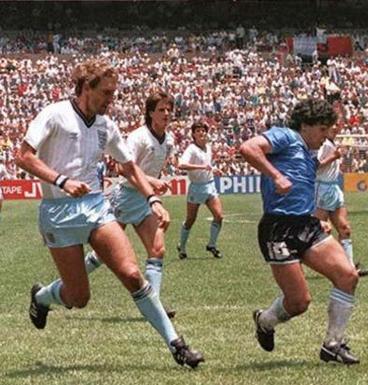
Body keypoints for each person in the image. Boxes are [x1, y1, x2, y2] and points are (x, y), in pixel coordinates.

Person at [16, 59, 203, 368]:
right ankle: (42, 298)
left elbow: (129, 166)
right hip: (58, 213)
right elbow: (23, 156)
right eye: (106, 93)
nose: (111, 100)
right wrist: (60, 180)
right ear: (86, 88)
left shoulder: (106, 125)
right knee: (79, 297)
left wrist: (153, 198)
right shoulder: (54, 115)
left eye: (114, 93)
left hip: (95, 206)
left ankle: (177, 345)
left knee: (132, 274)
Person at [239, 98, 360, 365]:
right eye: (322, 129)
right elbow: (248, 148)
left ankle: (333, 344)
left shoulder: (308, 150)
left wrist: (318, 216)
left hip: (306, 224)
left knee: (348, 276)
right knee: (299, 302)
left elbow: (304, 177)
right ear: (305, 125)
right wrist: (275, 176)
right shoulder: (286, 136)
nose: (326, 135)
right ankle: (265, 321)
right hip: (278, 229)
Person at [81, 90, 178, 318]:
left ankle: (153, 304)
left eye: (169, 109)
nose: (166, 113)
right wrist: (152, 182)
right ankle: (66, 282)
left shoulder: (169, 139)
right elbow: (123, 168)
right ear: (150, 113)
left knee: (157, 249)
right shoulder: (138, 137)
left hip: (145, 200)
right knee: (103, 255)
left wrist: (152, 187)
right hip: (125, 197)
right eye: (161, 109)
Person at [314, 104, 368, 277]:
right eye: (334, 124)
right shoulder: (322, 144)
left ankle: (349, 268)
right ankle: (295, 264)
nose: (337, 127)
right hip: (322, 188)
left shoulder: (331, 143)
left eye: (339, 124)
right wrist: (334, 157)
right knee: (316, 232)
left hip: (333, 187)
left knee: (344, 228)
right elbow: (313, 165)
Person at [176, 121, 224, 259]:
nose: (201, 133)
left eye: (203, 131)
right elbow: (181, 165)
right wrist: (202, 167)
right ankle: (182, 247)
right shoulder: (191, 149)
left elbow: (208, 165)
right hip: (196, 187)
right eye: (198, 131)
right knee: (190, 220)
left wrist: (214, 169)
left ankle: (212, 245)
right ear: (193, 135)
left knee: (219, 216)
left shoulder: (208, 147)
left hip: (210, 185)